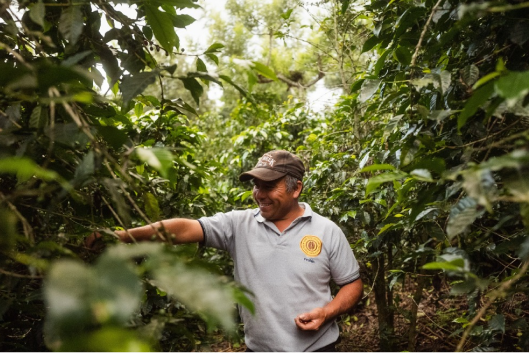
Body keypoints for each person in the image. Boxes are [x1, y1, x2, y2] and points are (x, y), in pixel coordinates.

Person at [91, 150, 363, 353]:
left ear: (296, 188)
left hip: (317, 349)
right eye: (256, 185)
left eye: (269, 186)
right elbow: (184, 229)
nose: (259, 193)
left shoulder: (326, 231)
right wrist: (121, 236)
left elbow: (352, 284)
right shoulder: (239, 224)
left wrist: (326, 313)